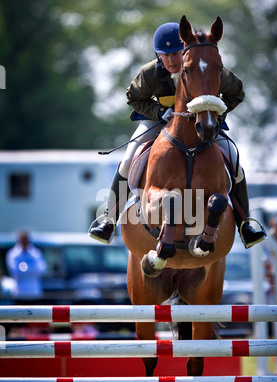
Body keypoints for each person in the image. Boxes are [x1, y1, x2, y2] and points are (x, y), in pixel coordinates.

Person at [89, 22, 266, 249]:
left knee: (233, 157)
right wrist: (159, 112)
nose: (172, 60)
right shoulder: (150, 73)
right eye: (165, 55)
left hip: (201, 122)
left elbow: (237, 93)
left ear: (185, 52)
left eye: (175, 54)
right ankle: (109, 219)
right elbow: (133, 98)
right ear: (158, 56)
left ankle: (245, 224)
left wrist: (216, 114)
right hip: (158, 120)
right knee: (128, 157)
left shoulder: (203, 66)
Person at [6, 231, 47, 303]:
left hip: (34, 293)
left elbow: (42, 269)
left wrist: (24, 269)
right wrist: (32, 269)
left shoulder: (36, 253)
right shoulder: (13, 253)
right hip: (19, 293)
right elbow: (14, 271)